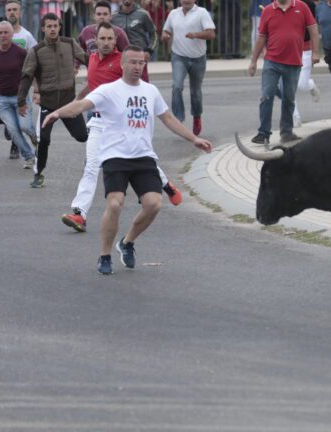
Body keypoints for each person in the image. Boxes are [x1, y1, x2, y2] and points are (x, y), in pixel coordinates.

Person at [42, 46, 212, 275]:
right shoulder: (108, 90)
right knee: (114, 204)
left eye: (141, 63)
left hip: (143, 156)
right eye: (132, 62)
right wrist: (57, 113)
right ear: (122, 64)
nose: (137, 67)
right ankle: (104, 255)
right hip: (115, 156)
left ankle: (127, 242)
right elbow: (81, 105)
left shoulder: (150, 91)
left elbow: (168, 118)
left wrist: (194, 138)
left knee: (154, 204)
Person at [61, 23, 182, 233]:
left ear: (115, 41)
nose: (106, 43)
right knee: (91, 166)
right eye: (102, 39)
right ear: (95, 40)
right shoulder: (92, 59)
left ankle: (165, 184)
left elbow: (138, 84)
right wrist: (78, 101)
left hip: (121, 122)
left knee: (139, 155)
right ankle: (80, 213)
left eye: (110, 39)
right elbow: (93, 85)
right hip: (98, 121)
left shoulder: (122, 61)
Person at [17, 13, 88, 188]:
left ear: (59, 27)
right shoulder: (36, 50)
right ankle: (38, 174)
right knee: (43, 140)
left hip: (69, 103)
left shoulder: (69, 43)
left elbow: (88, 60)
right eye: (49, 26)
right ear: (43, 29)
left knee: (82, 136)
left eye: (55, 26)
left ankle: (95, 155)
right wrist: (21, 101)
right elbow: (26, 76)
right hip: (48, 104)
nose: (53, 29)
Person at [248, 0, 320, 145]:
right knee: (266, 96)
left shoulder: (301, 7)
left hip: (294, 61)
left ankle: (287, 133)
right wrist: (253, 61)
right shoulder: (268, 10)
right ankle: (263, 133)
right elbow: (261, 37)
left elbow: (313, 30)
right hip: (272, 61)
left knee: (288, 99)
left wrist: (315, 52)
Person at [161, 0, 216, 135]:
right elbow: (165, 31)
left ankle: (197, 117)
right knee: (177, 86)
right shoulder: (173, 14)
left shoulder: (202, 12)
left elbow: (211, 34)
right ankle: (179, 120)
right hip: (179, 57)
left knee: (195, 92)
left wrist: (196, 35)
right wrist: (165, 36)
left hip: (198, 58)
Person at [0, 0, 37, 160]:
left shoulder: (27, 36)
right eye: (9, 10)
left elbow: (34, 60)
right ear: (5, 13)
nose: (12, 12)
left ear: (20, 13)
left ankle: (24, 144)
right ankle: (25, 151)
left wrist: (37, 88)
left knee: (22, 127)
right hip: (1, 91)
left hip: (19, 90)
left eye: (15, 9)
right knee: (9, 125)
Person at [112, 0, 158, 81]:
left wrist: (149, 50)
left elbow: (154, 34)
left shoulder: (143, 14)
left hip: (139, 57)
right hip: (121, 59)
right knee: (121, 85)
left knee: (142, 85)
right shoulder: (113, 17)